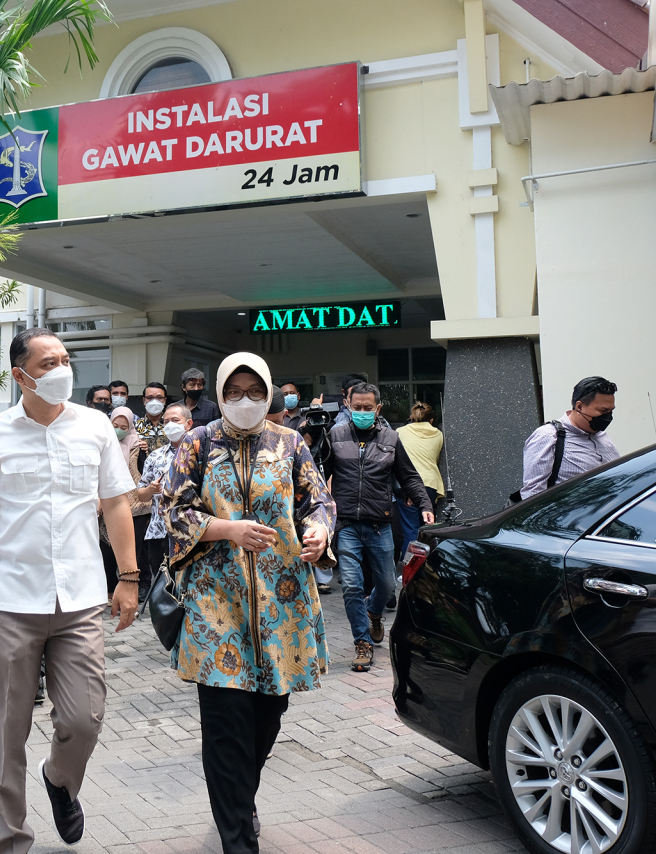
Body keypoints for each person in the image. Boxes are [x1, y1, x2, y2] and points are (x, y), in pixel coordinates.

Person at [0, 327, 140, 852]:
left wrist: (129, 577)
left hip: (80, 600)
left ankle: (60, 778)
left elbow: (118, 505)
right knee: (7, 731)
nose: (61, 370)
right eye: (48, 362)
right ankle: (12, 838)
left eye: (64, 359)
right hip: (13, 601)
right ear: (20, 375)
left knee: (85, 716)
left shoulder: (96, 427)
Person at [164, 352, 335, 854]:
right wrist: (226, 529)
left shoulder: (291, 442)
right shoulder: (198, 442)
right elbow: (172, 510)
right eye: (234, 392)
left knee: (268, 714)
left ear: (269, 393)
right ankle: (238, 839)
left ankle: (241, 794)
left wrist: (319, 530)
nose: (245, 401)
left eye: (254, 391)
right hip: (217, 602)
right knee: (225, 725)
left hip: (283, 605)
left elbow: (317, 499)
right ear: (219, 394)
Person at [324, 382, 433, 673]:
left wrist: (425, 504)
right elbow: (318, 475)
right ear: (347, 406)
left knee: (386, 584)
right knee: (350, 585)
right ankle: (362, 642)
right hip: (346, 523)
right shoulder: (334, 435)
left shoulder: (391, 438)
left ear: (377, 408)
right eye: (356, 407)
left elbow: (409, 476)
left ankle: (373, 611)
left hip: (379, 524)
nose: (362, 412)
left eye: (367, 408)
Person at [519, 376, 619, 501]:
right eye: (603, 411)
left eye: (611, 411)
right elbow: (533, 494)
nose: (608, 416)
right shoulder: (547, 437)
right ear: (579, 406)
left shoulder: (600, 435)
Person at [135, 402, 192, 581]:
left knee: (187, 581)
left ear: (188, 424)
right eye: (166, 422)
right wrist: (151, 489)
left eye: (175, 420)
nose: (169, 425)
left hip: (190, 528)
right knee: (162, 583)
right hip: (159, 531)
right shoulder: (155, 456)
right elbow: (141, 494)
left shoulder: (201, 453)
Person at [113, 404, 154, 600]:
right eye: (115, 424)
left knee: (138, 546)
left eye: (124, 426)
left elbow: (144, 473)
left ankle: (142, 584)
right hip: (111, 501)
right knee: (111, 544)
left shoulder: (139, 445)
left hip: (136, 504)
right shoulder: (104, 444)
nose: (119, 429)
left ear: (130, 426)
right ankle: (115, 584)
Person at [395, 402, 445, 553]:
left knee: (410, 528)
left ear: (411, 417)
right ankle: (425, 567)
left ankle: (408, 570)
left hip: (407, 485)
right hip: (430, 485)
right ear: (431, 421)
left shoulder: (399, 432)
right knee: (426, 528)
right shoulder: (438, 434)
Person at [135, 382, 170, 454]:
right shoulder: (134, 427)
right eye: (150, 398)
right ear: (144, 401)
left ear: (165, 401)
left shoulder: (172, 425)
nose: (154, 402)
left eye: (159, 397)